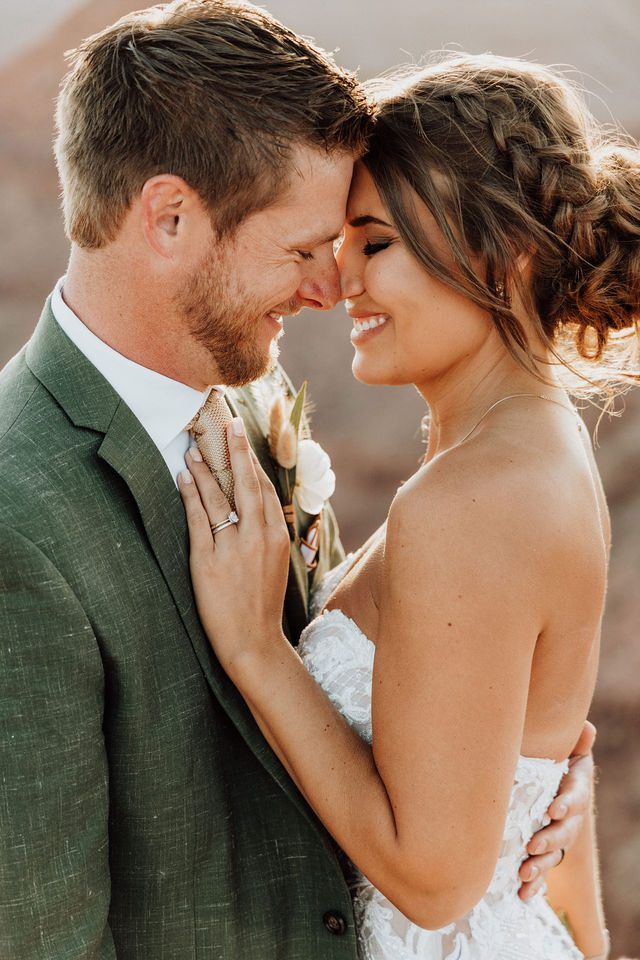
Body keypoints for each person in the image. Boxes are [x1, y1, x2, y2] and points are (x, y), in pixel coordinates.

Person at [0, 1, 590, 954]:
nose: (330, 289)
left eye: (358, 244)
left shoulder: (242, 401)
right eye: (305, 249)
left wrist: (525, 787)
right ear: (172, 217)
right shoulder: (14, 521)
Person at [178, 53, 640, 959]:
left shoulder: (471, 498)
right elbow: (535, 753)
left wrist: (256, 650)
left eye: (377, 243)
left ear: (503, 257)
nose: (343, 279)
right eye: (341, 243)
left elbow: (434, 883)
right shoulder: (536, 449)